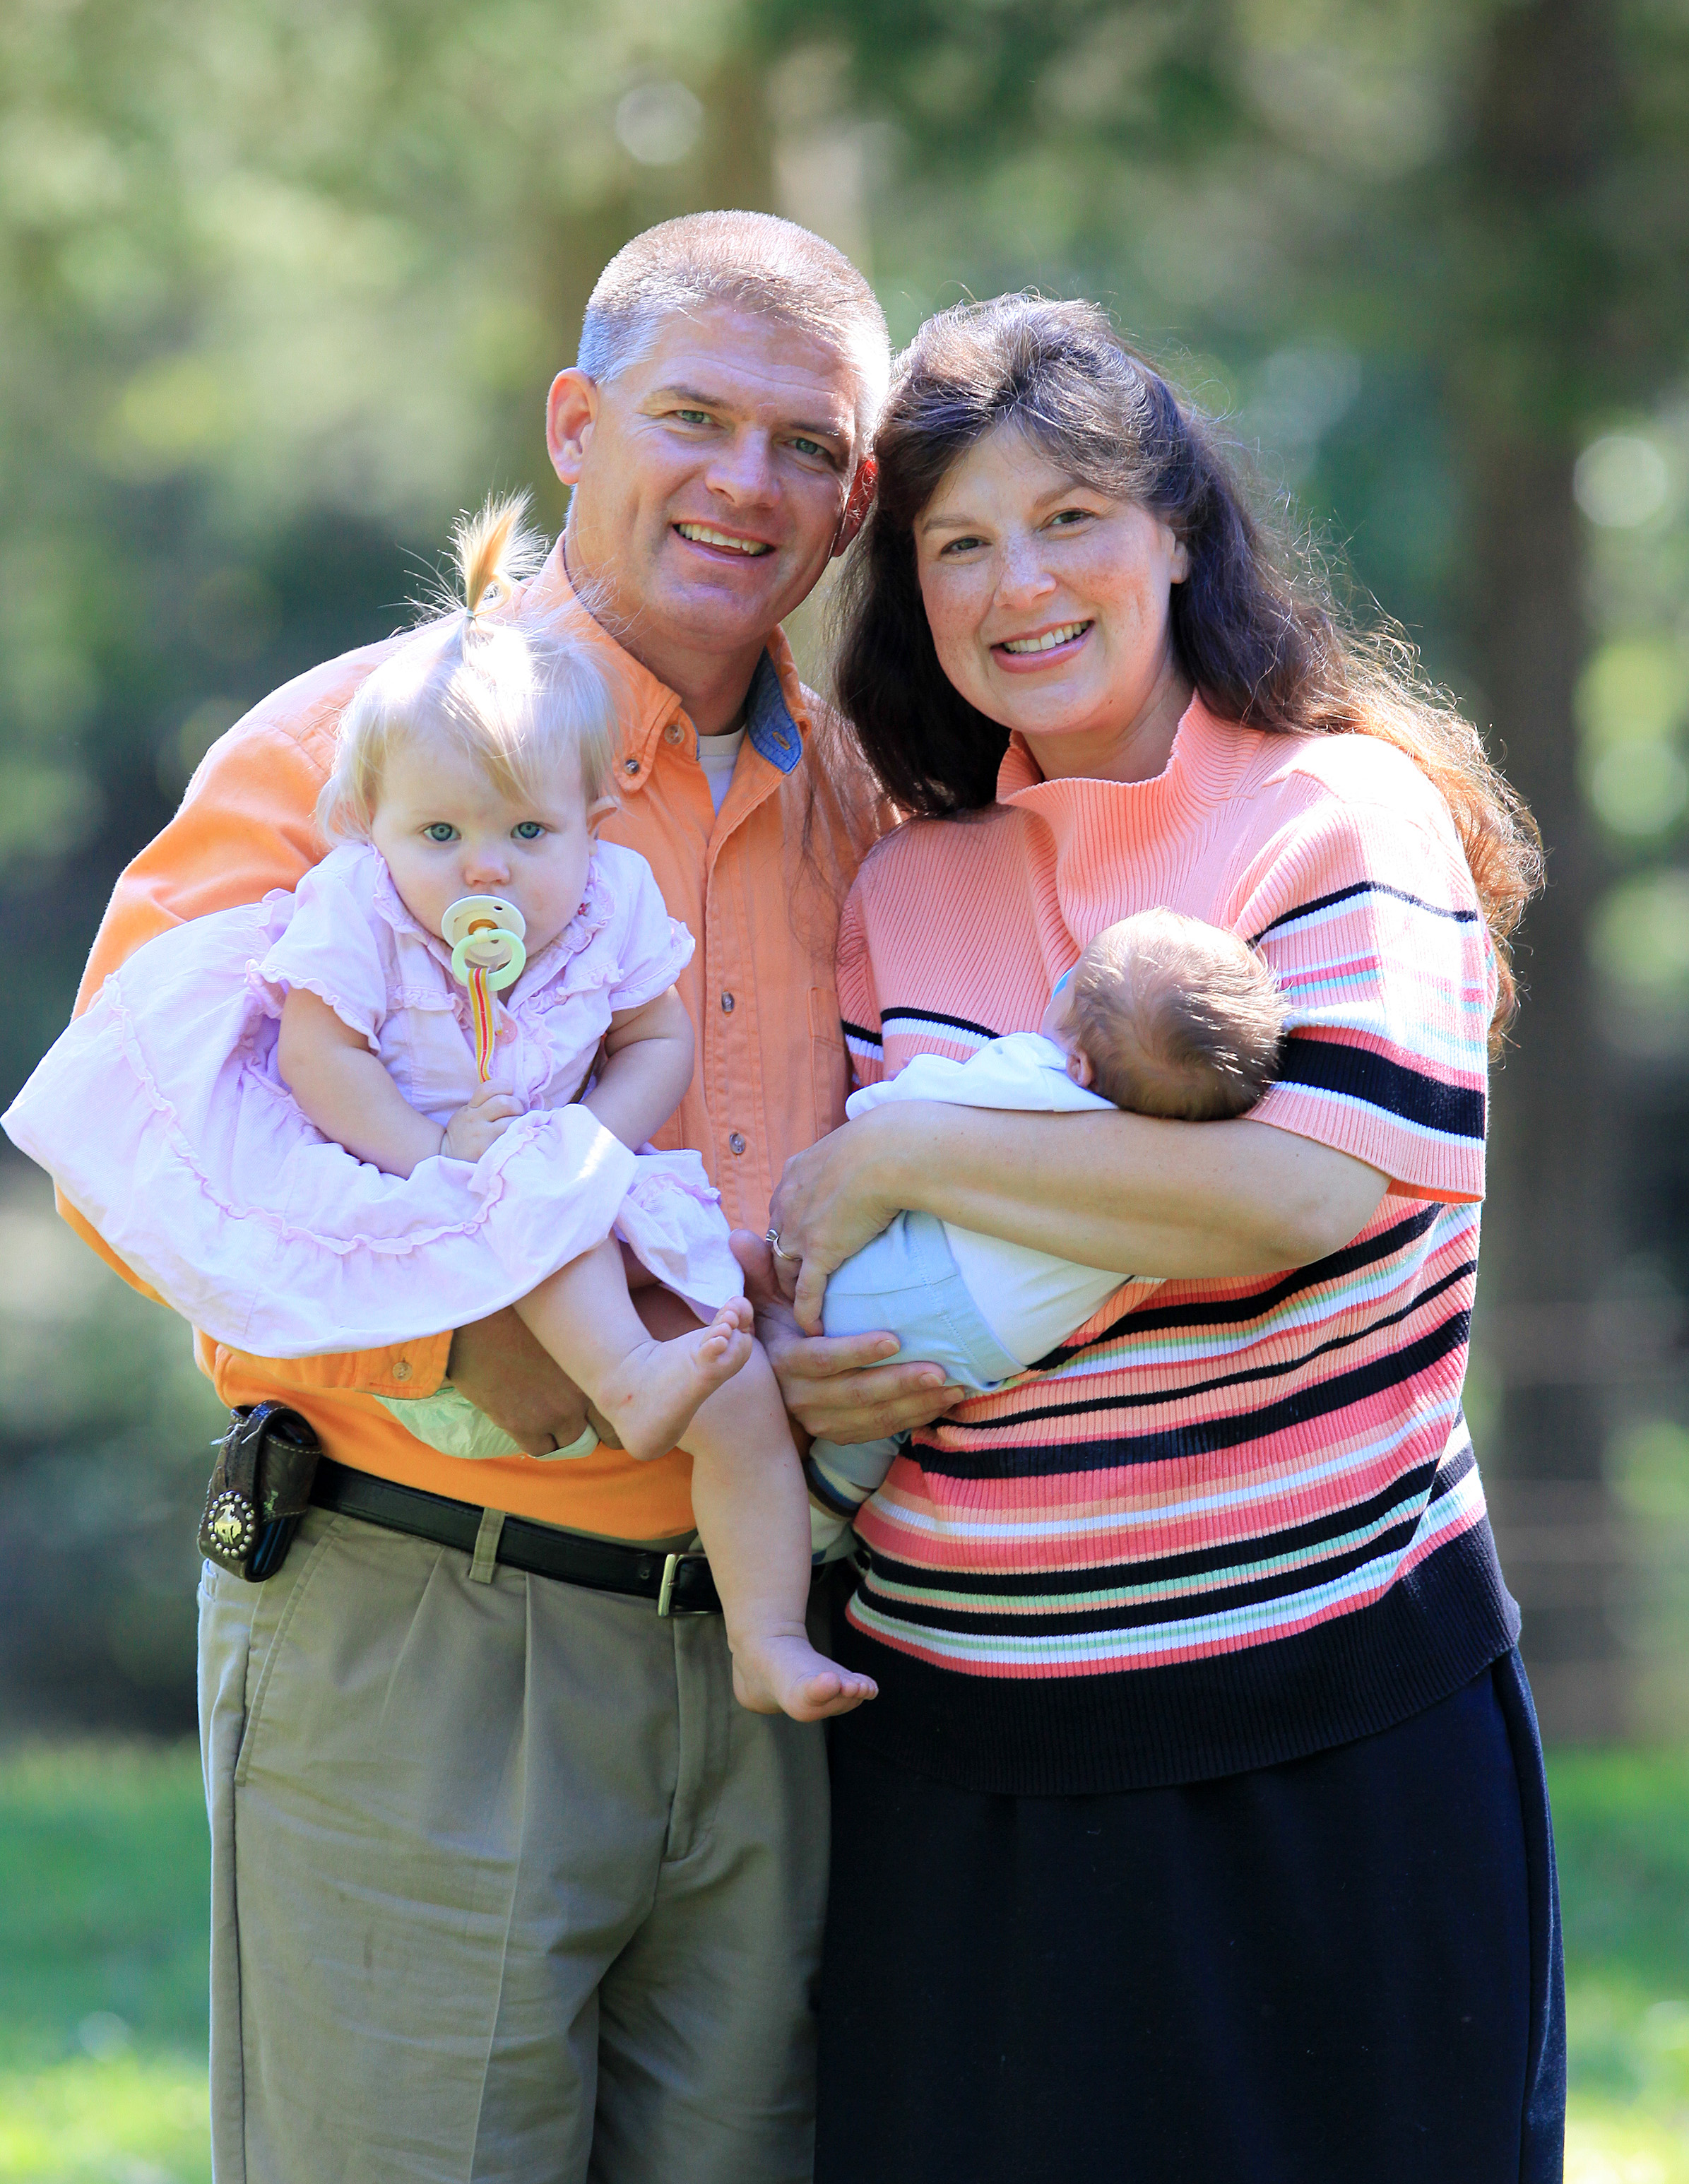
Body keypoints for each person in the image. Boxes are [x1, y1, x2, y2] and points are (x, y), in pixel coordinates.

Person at [58, 213, 944, 2183]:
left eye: (807, 445)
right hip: (427, 1620)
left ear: (854, 494)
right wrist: (478, 1345)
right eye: (691, 416)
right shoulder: (362, 744)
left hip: (779, 1653)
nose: (746, 480)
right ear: (571, 423)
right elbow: (136, 1156)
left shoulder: (871, 798)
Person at [754, 297, 1563, 2181]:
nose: (1015, 584)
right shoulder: (900, 884)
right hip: (958, 1766)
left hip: (1327, 1733)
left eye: (1068, 520)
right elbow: (843, 1241)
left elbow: (1311, 1184)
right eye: (957, 542)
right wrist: (809, 1358)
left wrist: (917, 1143)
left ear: (1178, 530)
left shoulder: (1334, 811)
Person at [10, 493, 875, 1723]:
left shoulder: (613, 897)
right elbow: (318, 1055)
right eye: (439, 832)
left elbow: (655, 1038)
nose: (485, 865)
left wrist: (594, 1140)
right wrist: (436, 1160)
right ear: (368, 824)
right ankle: (630, 1375)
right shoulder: (360, 902)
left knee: (733, 1390)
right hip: (428, 1201)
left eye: (527, 830)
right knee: (544, 1236)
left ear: (592, 821)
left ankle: (769, 1637)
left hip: (574, 1174)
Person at [803, 908, 1287, 1543]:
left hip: (907, 1284)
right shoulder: (1167, 1173)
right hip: (994, 1351)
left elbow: (913, 1102)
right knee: (880, 1425)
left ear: (1081, 1065)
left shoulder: (1038, 1072)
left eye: (1075, 982)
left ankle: (795, 1533)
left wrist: (864, 1124)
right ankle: (821, 1517)